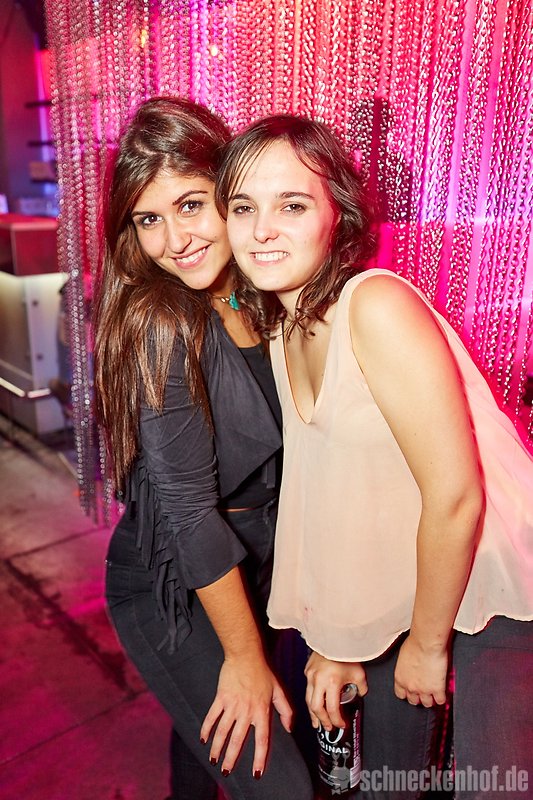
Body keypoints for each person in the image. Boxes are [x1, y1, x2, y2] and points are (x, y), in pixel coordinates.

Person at [216, 114, 533, 800]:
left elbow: (456, 498)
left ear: (338, 215)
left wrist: (426, 645)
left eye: (291, 205)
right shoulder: (286, 327)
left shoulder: (376, 304)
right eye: (243, 207)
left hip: (498, 575)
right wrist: (336, 641)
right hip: (418, 578)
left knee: (494, 784)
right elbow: (333, 499)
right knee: (389, 781)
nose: (261, 230)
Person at [93, 98, 313, 800]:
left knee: (204, 739)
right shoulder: (162, 321)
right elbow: (190, 513)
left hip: (252, 566)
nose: (174, 240)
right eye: (148, 219)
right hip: (173, 585)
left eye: (190, 205)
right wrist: (244, 657)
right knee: (278, 782)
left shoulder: (255, 293)